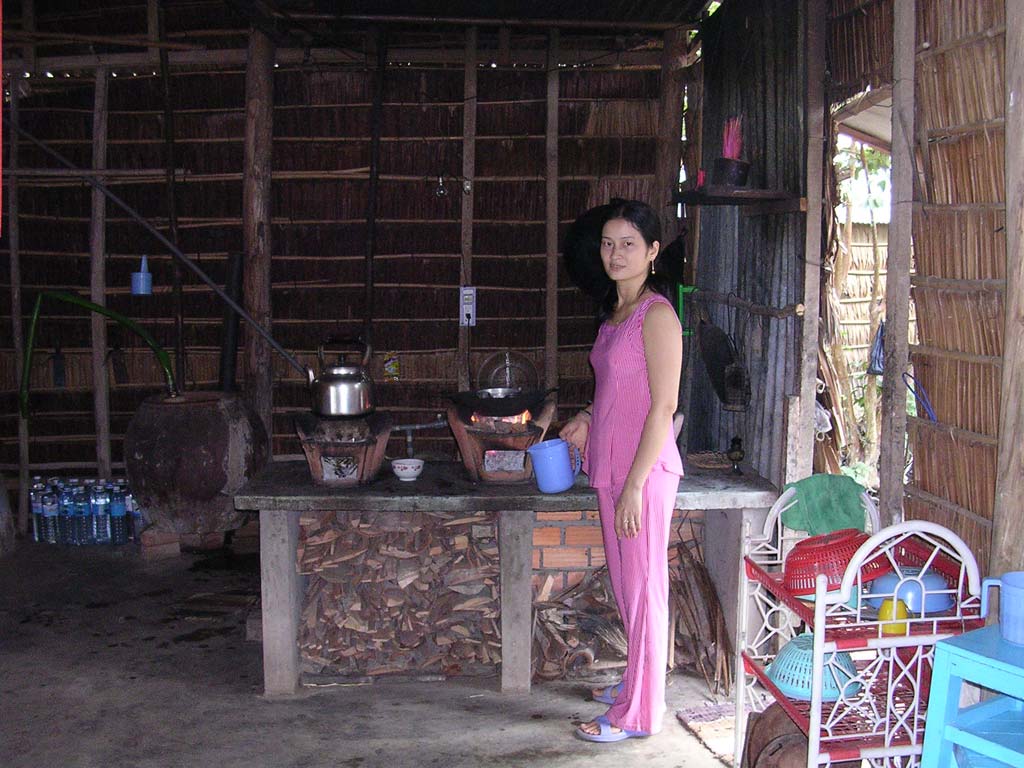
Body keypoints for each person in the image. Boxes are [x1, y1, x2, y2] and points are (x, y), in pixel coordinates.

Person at [560, 200, 684, 743]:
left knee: (644, 590)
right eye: (608, 243)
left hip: (643, 474)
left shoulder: (657, 316)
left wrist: (635, 486)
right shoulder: (615, 314)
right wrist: (588, 417)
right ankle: (636, 683)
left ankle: (638, 714)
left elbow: (663, 407)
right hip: (612, 466)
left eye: (628, 244)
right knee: (627, 587)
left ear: (653, 252)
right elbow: (616, 389)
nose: (615, 253)